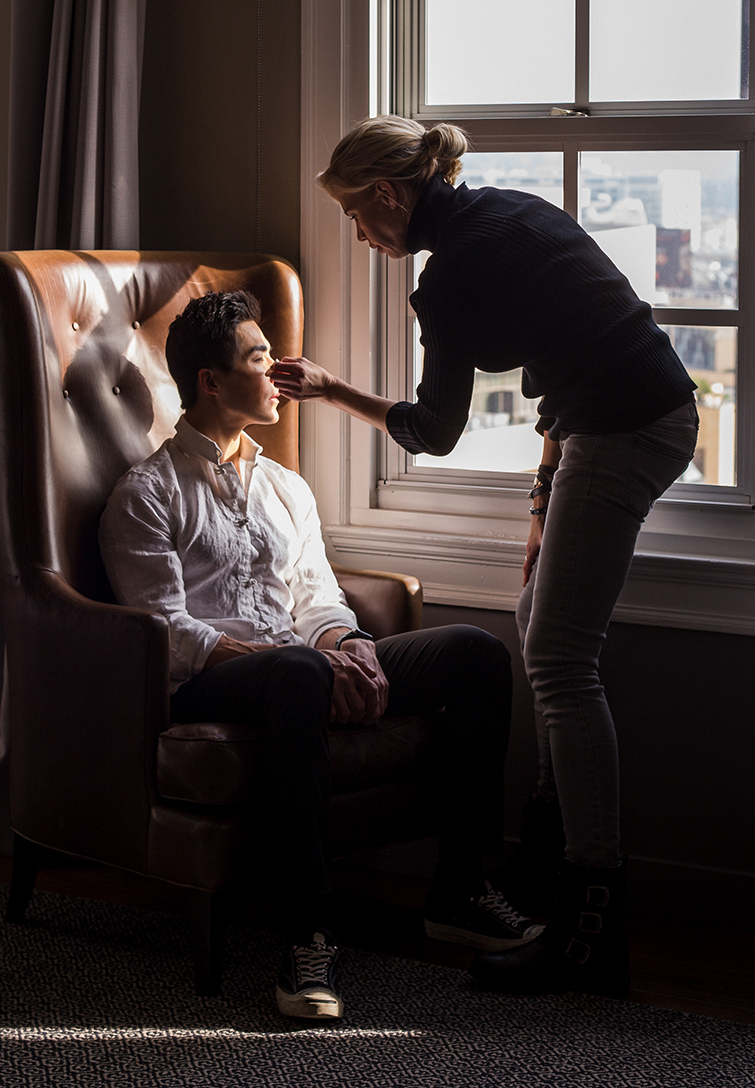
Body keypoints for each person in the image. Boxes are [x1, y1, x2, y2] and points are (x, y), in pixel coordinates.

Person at [270, 118, 699, 998]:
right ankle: (545, 861)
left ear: (389, 195)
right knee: (540, 625)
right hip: (619, 420)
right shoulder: (514, 213)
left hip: (626, 431)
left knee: (560, 661)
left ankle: (590, 923)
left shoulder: (453, 271)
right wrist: (544, 497)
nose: (359, 232)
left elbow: (434, 430)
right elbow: (572, 350)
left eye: (357, 214)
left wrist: (328, 388)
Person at [99, 289, 539, 1022]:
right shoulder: (146, 493)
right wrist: (293, 661)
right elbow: (162, 628)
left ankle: (459, 888)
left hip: (301, 667)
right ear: (212, 381)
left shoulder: (286, 488)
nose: (279, 371)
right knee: (297, 670)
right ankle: (309, 931)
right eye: (261, 357)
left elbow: (317, 597)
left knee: (475, 654)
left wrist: (351, 649)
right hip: (209, 682)